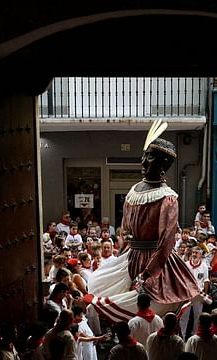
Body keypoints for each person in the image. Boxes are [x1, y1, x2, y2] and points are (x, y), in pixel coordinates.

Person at [85, 122, 205, 325]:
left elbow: (166, 243)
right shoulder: (134, 190)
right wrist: (123, 252)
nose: (143, 160)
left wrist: (149, 274)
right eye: (144, 154)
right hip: (131, 256)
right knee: (97, 284)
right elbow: (125, 228)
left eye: (149, 156)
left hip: (156, 263)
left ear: (164, 162)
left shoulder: (168, 198)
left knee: (151, 308)